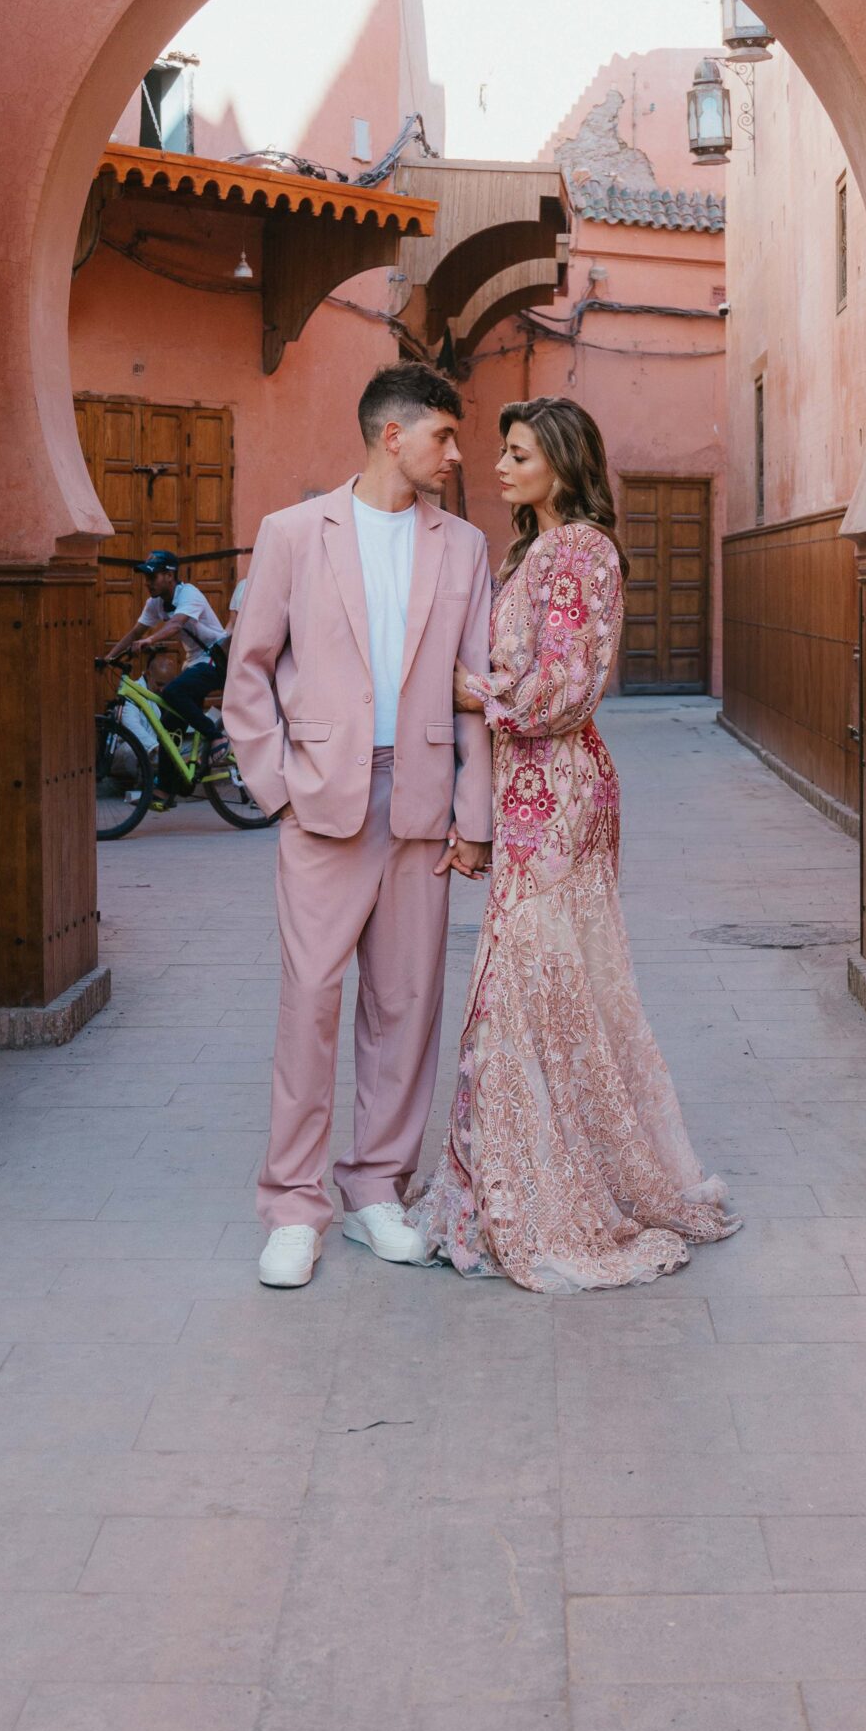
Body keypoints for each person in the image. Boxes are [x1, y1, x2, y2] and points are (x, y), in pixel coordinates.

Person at [408, 396, 740, 1290]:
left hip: (554, 789)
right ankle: (521, 1178)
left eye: (517, 453)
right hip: (533, 788)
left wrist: (475, 694)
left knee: (530, 983)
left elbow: (566, 686)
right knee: (536, 984)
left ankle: (546, 1194)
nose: (500, 464)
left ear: (558, 460)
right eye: (501, 451)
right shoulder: (537, 550)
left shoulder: (580, 550)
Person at [222, 364, 494, 1289]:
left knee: (406, 1007)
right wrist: (278, 788)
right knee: (311, 1001)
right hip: (322, 802)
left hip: (420, 805)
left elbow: (472, 697)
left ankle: (376, 1187)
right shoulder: (294, 534)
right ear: (392, 436)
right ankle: (293, 1206)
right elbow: (248, 671)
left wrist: (474, 815)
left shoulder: (463, 546)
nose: (457, 455)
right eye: (444, 437)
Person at [103, 549, 228, 753]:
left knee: (173, 691)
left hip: (216, 660)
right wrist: (109, 658)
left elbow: (177, 624)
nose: (147, 582)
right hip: (195, 663)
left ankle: (217, 738)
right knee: (170, 728)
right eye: (146, 577)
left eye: (152, 577)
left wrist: (150, 639)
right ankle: (170, 784)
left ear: (170, 576)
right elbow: (135, 632)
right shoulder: (156, 603)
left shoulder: (189, 594)